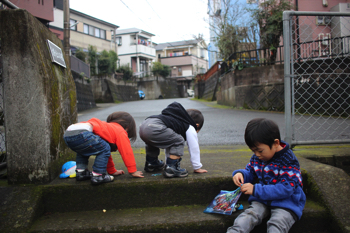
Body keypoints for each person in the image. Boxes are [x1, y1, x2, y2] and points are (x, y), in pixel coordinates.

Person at [227, 118, 306, 233]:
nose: (257, 155)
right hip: (263, 199)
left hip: (286, 202)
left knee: (277, 223)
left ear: (275, 143)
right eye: (253, 151)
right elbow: (251, 171)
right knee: (248, 216)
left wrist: (255, 189)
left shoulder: (289, 160)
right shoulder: (258, 157)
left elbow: (286, 188)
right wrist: (241, 174)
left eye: (260, 151)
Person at [63, 111, 144, 185]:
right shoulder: (120, 130)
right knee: (105, 149)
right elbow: (126, 151)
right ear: (128, 127)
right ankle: (98, 176)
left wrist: (112, 171)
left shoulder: (106, 128)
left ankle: (81, 173)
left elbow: (105, 155)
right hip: (83, 132)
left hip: (68, 133)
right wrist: (132, 170)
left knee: (83, 151)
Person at [139, 101, 207, 178]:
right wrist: (197, 166)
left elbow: (169, 142)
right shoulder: (190, 126)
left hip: (144, 125)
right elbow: (194, 147)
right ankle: (172, 168)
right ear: (197, 126)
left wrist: (167, 163)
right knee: (179, 141)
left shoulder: (173, 120)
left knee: (153, 142)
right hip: (156, 127)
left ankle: (151, 163)